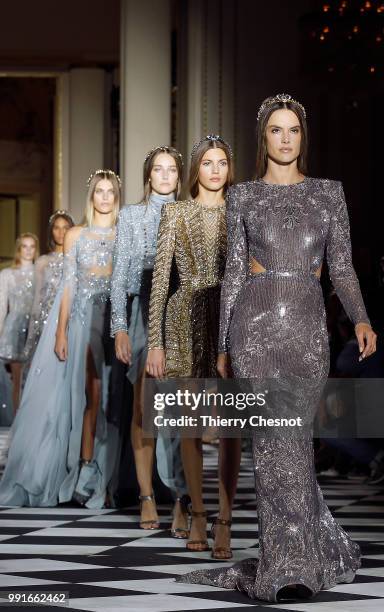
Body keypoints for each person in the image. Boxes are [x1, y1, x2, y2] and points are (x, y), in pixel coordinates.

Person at [176, 94, 377, 600]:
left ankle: (304, 551)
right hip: (255, 327)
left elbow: (343, 268)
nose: (285, 139)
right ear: (262, 136)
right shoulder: (243, 196)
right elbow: (235, 273)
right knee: (270, 446)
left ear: (302, 137)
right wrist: (223, 343)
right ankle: (286, 567)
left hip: (308, 326)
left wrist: (361, 318)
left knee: (297, 444)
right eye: (275, 131)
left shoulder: (329, 193)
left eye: (293, 131)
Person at [146, 135, 242, 559]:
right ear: (196, 170)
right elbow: (160, 280)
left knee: (229, 428)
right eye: (208, 162)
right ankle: (197, 511)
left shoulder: (241, 211)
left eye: (222, 162)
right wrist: (155, 341)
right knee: (189, 423)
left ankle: (225, 518)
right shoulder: (175, 212)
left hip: (230, 317)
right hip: (183, 317)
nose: (216, 169)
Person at [0, 170, 120, 508]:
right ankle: (81, 467)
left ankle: (106, 472)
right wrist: (61, 330)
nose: (106, 197)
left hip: (115, 320)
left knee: (111, 398)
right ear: (92, 197)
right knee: (86, 394)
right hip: (83, 320)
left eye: (111, 191)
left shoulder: (124, 233)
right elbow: (69, 285)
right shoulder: (77, 235)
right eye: (100, 191)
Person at [111, 146, 189, 535]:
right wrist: (120, 327)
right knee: (145, 408)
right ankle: (145, 495)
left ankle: (180, 498)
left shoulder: (190, 212)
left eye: (171, 169)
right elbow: (119, 276)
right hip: (142, 309)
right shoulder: (131, 215)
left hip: (183, 312)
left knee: (180, 408)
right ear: (148, 175)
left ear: (178, 175)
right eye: (157, 169)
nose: (164, 175)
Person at [23, 211, 75, 364]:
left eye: (65, 227)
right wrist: (32, 333)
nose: (61, 232)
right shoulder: (42, 262)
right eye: (56, 228)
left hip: (70, 319)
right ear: (51, 231)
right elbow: (37, 299)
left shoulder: (77, 260)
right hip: (45, 320)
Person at [0, 233, 39, 413]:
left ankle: (30, 420)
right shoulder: (7, 274)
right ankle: (17, 420)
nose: (28, 250)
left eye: (32, 246)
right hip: (14, 328)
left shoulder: (41, 272)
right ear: (19, 249)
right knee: (17, 378)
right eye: (25, 246)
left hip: (35, 327)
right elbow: (1, 305)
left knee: (34, 378)